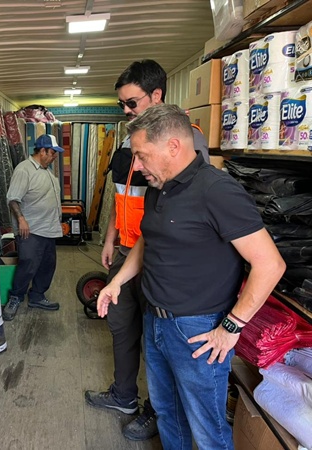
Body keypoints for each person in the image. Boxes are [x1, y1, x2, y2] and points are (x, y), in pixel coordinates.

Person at [97, 104, 286, 449]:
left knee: (207, 430)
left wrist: (231, 327)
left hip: (198, 332)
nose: (136, 166)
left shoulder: (217, 190)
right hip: (156, 321)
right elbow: (147, 241)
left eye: (141, 155)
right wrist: (117, 281)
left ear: (173, 146)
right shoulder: (158, 186)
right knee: (168, 415)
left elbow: (270, 265)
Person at [85, 59, 209, 441]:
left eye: (132, 102)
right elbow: (121, 195)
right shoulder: (130, 140)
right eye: (121, 104)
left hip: (157, 257)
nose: (125, 110)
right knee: (121, 326)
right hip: (126, 250)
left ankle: (158, 410)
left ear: (156, 95)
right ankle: (124, 395)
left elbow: (190, 206)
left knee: (159, 340)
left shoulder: (185, 140)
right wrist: (110, 238)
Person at [2, 134, 64, 321]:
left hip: (49, 228)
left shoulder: (47, 171)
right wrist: (21, 219)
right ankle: (15, 297)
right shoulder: (24, 169)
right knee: (28, 264)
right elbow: (12, 198)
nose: (55, 156)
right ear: (42, 151)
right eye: (52, 153)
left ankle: (37, 296)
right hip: (31, 228)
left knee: (47, 265)